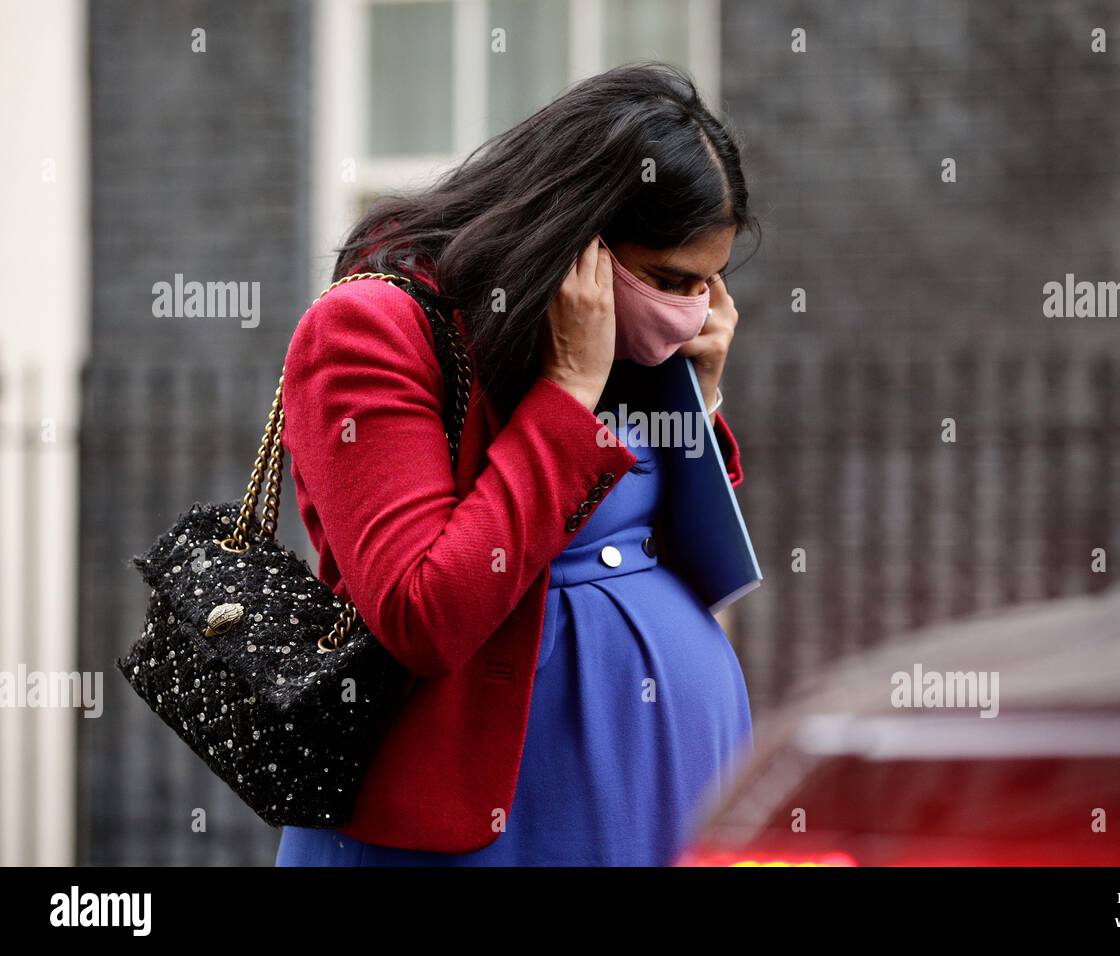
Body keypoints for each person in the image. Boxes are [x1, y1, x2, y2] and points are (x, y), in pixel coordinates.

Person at [274, 61, 760, 866]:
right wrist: (568, 394)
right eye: (672, 280)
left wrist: (698, 401)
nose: (695, 311)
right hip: (480, 812)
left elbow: (707, 577)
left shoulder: (637, 345)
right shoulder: (370, 329)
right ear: (578, 238)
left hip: (667, 787)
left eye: (710, 283)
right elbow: (424, 615)